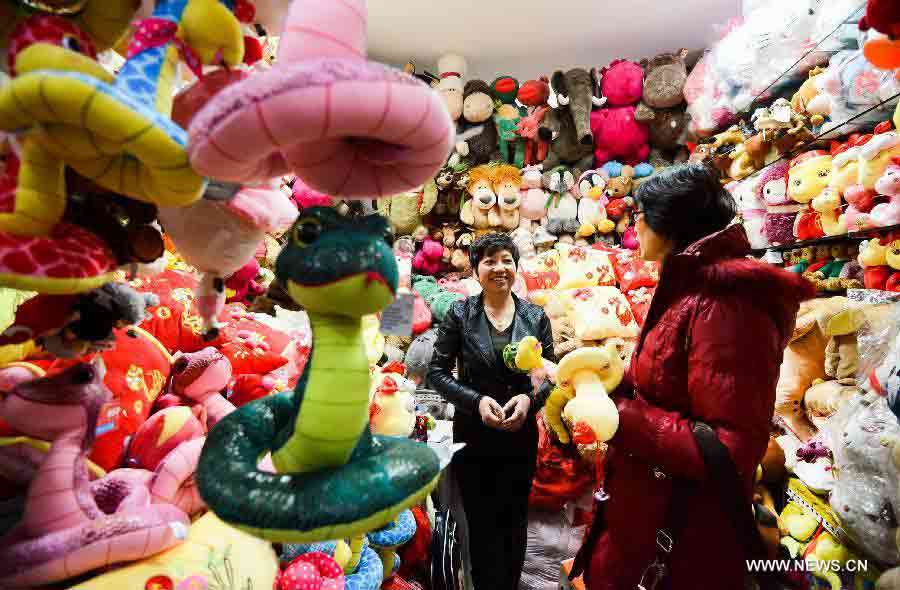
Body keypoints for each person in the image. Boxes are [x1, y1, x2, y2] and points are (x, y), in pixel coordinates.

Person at [578, 163, 814, 590]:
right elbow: (672, 388)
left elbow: (732, 446)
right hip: (649, 516)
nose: (636, 223)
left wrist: (621, 417)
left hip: (684, 535)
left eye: (641, 213)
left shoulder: (727, 303)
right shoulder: (688, 288)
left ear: (670, 223)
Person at [428, 232, 556, 590]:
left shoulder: (535, 316)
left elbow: (553, 374)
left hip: (520, 435)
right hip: (474, 434)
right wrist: (475, 401)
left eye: (507, 261)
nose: (500, 268)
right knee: (481, 523)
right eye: (490, 261)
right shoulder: (460, 314)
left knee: (514, 520)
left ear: (516, 266)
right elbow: (436, 373)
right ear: (475, 269)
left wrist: (531, 400)